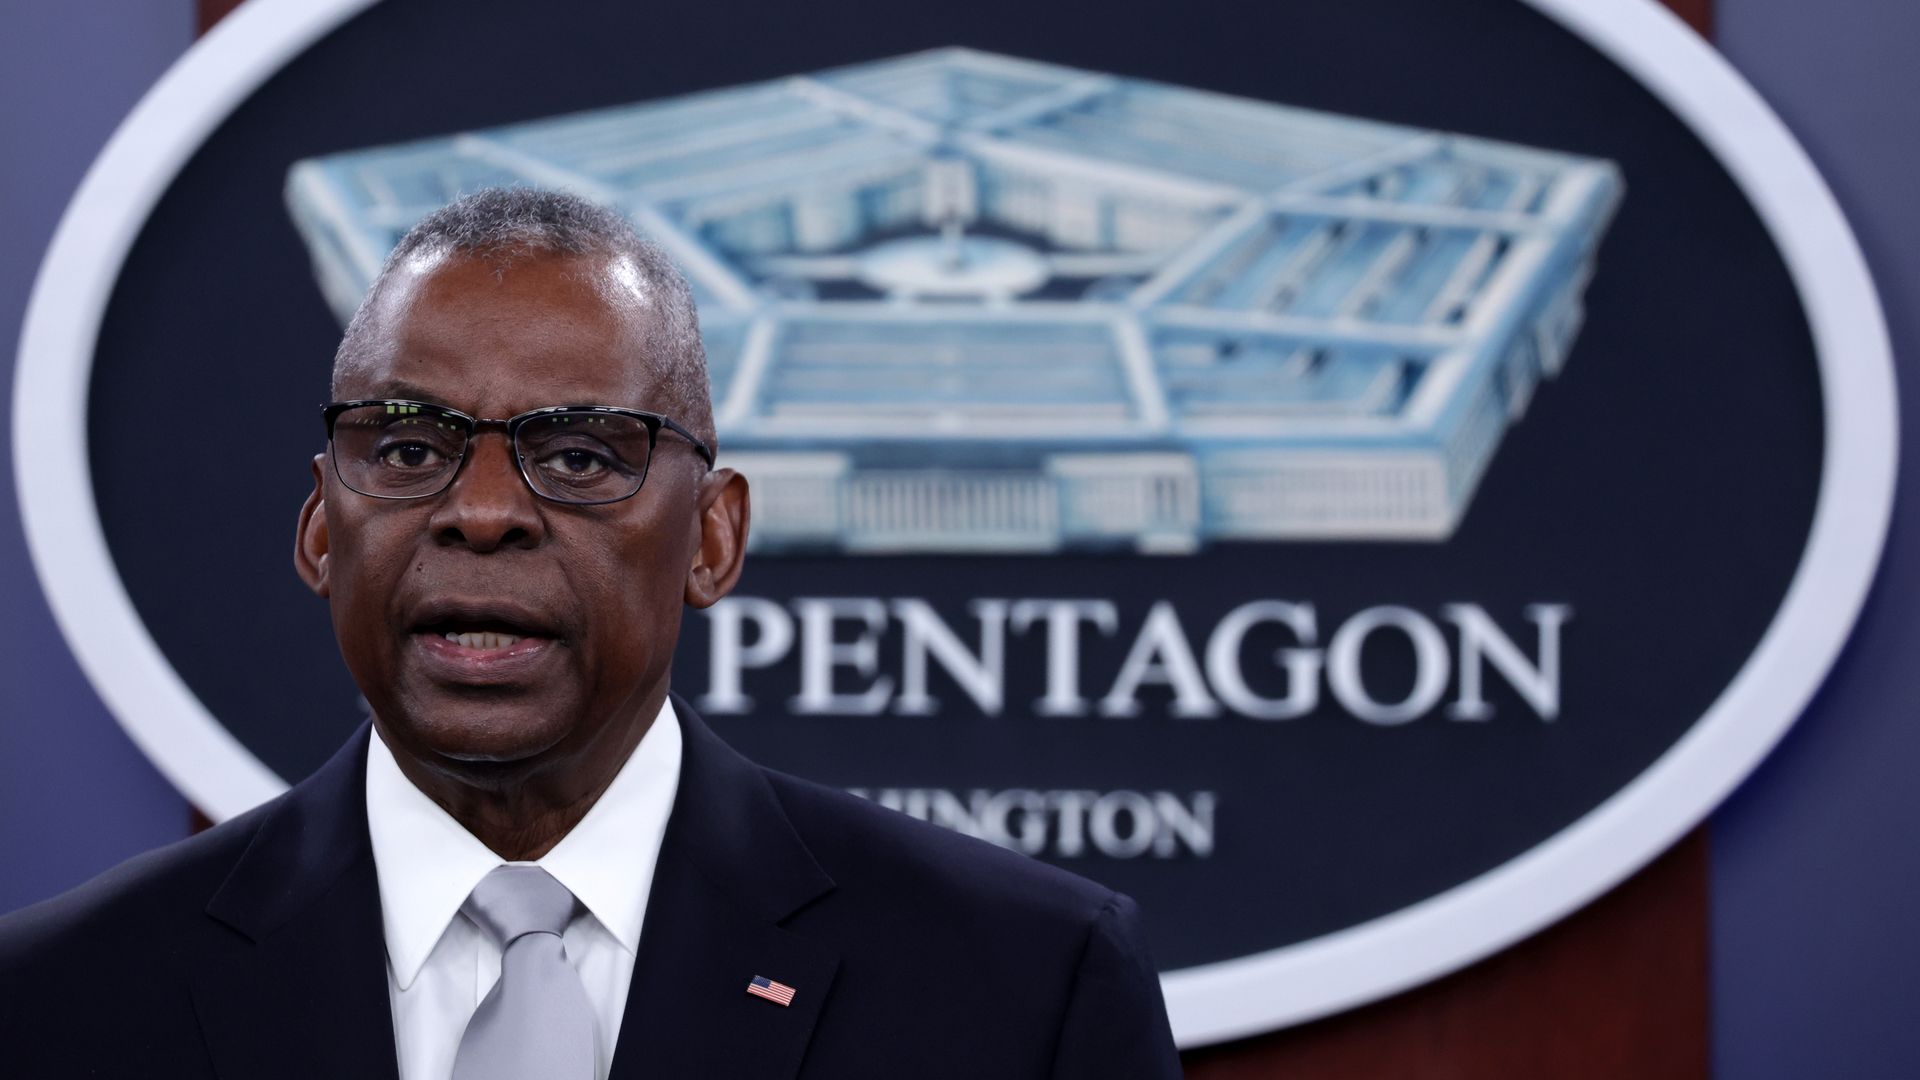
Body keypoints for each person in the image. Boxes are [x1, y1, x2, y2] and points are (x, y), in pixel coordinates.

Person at [0, 188, 1182, 1079]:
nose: (483, 512)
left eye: (578, 456)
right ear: (321, 530)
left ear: (713, 541)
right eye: (409, 449)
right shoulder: (57, 1003)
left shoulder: (1024, 991)